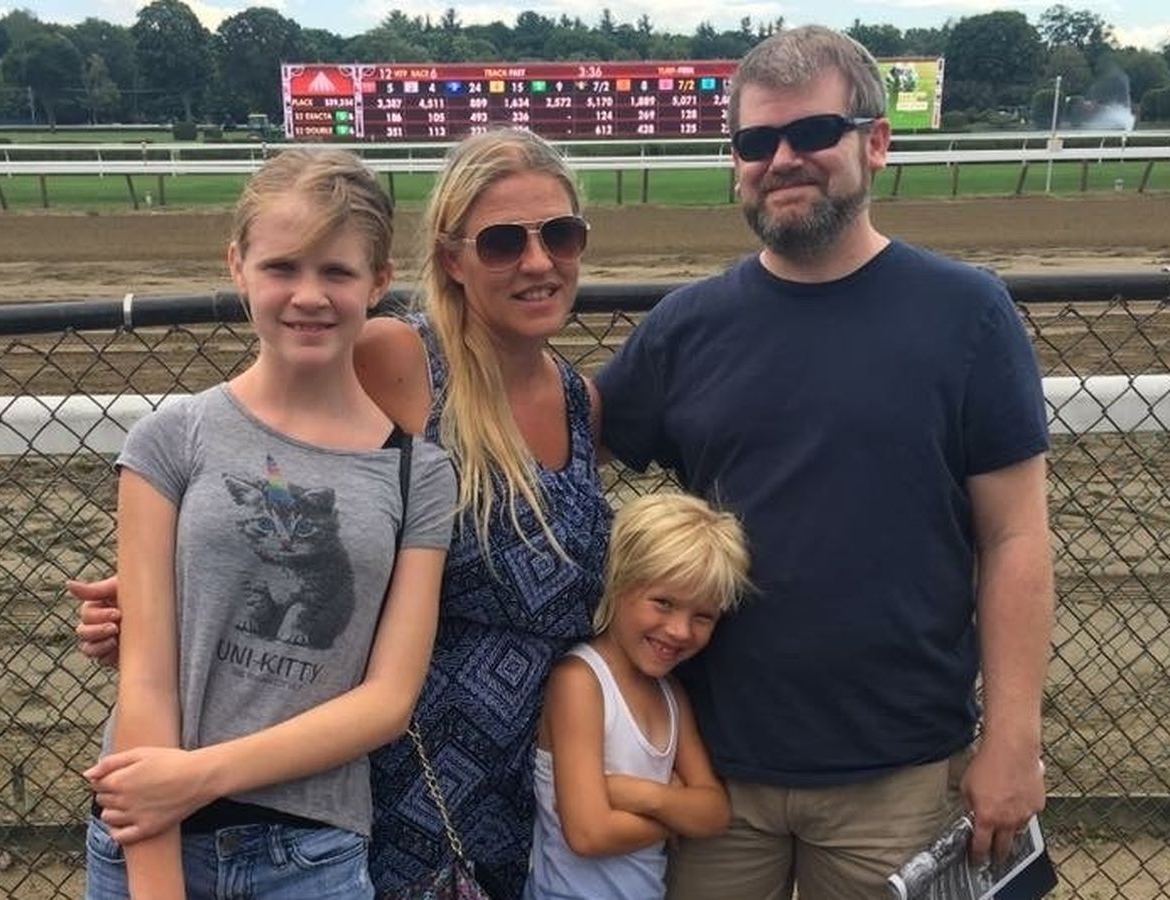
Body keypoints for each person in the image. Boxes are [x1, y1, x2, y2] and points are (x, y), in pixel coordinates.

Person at [71, 128, 612, 899]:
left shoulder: (578, 403)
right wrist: (166, 593)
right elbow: (273, 434)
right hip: (389, 792)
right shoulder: (395, 357)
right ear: (451, 259)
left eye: (559, 234)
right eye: (502, 241)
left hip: (528, 779)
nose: (537, 260)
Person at [594, 25, 1054, 900]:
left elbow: (1016, 539)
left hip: (898, 773)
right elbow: (562, 442)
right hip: (710, 770)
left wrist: (1013, 741)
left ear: (875, 142)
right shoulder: (686, 326)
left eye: (812, 133)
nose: (783, 160)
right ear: (736, 162)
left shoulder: (969, 314)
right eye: (756, 142)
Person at [81, 148, 456, 898]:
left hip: (310, 856)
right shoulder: (171, 439)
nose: (308, 296)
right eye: (282, 267)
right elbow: (147, 677)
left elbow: (387, 700)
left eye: (337, 272)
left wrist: (198, 776)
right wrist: (158, 874)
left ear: (379, 282)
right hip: (147, 842)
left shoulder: (420, 474)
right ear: (238, 267)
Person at [523, 492, 750, 900]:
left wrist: (641, 795)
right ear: (619, 582)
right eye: (663, 603)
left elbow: (715, 812)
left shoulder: (671, 693)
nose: (680, 630)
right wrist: (676, 812)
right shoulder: (581, 682)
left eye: (702, 616)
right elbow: (589, 833)